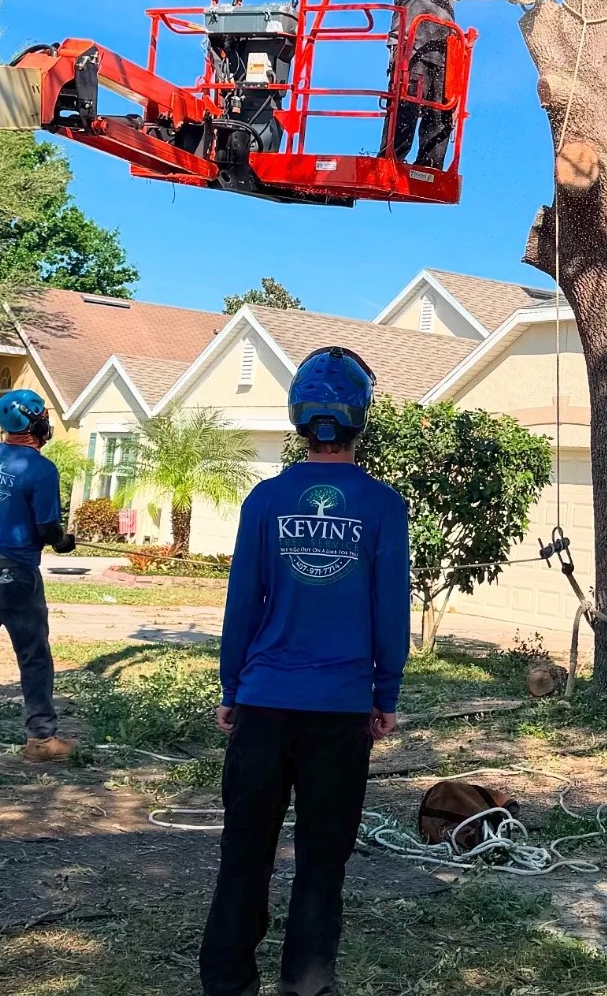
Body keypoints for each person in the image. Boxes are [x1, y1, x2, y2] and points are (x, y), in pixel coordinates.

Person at [199, 345, 411, 996]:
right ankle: (307, 982)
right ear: (359, 420)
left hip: (264, 703)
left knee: (245, 853)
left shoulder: (266, 501)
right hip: (341, 709)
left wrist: (233, 687)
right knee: (323, 861)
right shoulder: (382, 506)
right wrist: (385, 693)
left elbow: (243, 603)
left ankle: (228, 982)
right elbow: (390, 611)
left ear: (298, 418)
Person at [385, 0, 541, 168]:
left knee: (443, 109)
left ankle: (429, 166)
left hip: (443, 49)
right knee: (408, 103)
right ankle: (392, 159)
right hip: (412, 47)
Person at [0, 389, 77, 763]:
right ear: (35, 422)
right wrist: (63, 542)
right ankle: (41, 741)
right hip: (15, 576)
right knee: (34, 656)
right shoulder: (41, 469)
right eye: (44, 415)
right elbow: (47, 530)